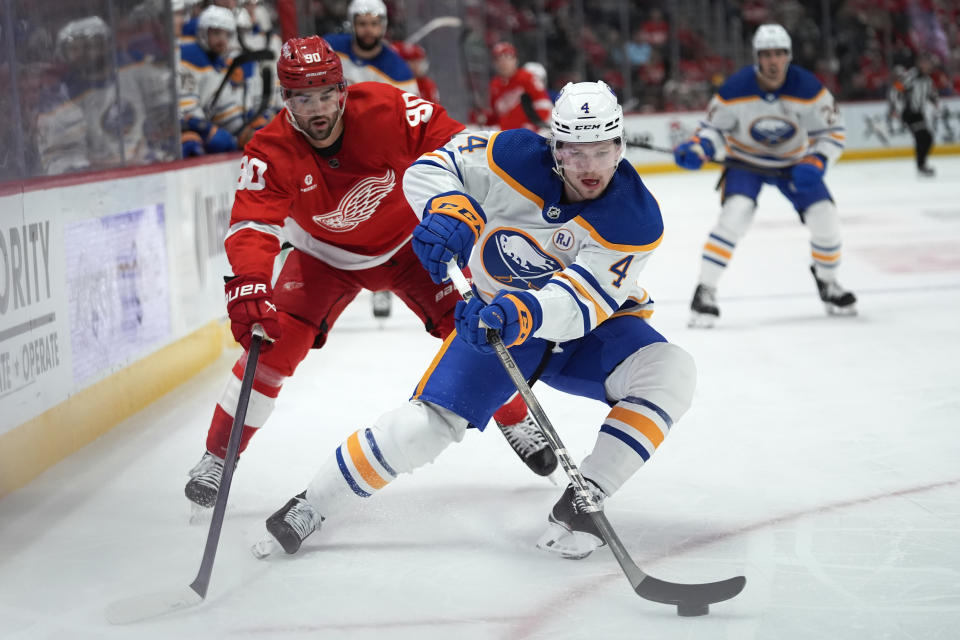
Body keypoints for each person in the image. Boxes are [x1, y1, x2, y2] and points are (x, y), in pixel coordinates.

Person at [253, 81, 697, 564]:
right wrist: (447, 206)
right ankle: (311, 504)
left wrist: (521, 312)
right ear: (555, 147)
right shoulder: (510, 154)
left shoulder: (636, 218)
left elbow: (581, 304)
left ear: (620, 146)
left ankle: (586, 499)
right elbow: (431, 166)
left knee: (670, 371)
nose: (588, 168)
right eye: (574, 152)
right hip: (493, 317)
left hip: (585, 327)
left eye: (601, 151)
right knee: (421, 430)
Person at [184, 36, 557, 516]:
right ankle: (218, 456)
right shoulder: (270, 149)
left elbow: (456, 145)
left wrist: (454, 207)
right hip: (324, 257)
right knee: (272, 348)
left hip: (412, 245)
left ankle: (514, 418)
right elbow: (252, 226)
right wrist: (250, 282)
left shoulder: (385, 107)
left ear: (343, 90)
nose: (316, 109)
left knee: (476, 331)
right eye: (302, 97)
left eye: (325, 95)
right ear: (285, 100)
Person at [673, 23, 857, 327]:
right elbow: (714, 129)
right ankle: (705, 290)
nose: (773, 61)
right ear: (757, 57)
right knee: (735, 215)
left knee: (825, 217)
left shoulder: (810, 89)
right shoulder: (734, 89)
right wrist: (700, 146)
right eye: (767, 54)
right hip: (746, 163)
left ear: (789, 55)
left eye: (780, 53)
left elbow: (833, 131)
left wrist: (818, 160)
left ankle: (828, 281)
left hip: (794, 164)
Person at [324, 0, 419, 320]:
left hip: (373, 157)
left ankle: (380, 285)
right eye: (362, 23)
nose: (368, 30)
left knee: (376, 222)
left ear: (383, 27)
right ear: (352, 23)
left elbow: (412, 123)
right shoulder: (327, 49)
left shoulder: (398, 71)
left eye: (374, 23)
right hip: (323, 143)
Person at [179, 5, 263, 155]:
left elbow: (225, 111)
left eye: (227, 35)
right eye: (216, 33)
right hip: (178, 129)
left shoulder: (220, 64)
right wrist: (208, 130)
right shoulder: (189, 56)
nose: (222, 40)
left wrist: (244, 133)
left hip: (200, 124)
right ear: (204, 33)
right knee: (192, 145)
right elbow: (185, 112)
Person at [888, 54, 940, 177]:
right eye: (926, 63)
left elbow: (932, 93)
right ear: (920, 63)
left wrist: (935, 101)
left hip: (919, 113)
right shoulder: (911, 76)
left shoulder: (928, 80)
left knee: (926, 138)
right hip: (909, 112)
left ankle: (921, 165)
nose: (928, 66)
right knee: (923, 137)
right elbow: (895, 90)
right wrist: (895, 108)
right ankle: (921, 166)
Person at [487, 41, 553, 132]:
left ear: (515, 60)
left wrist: (534, 126)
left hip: (528, 134)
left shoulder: (527, 77)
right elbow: (495, 115)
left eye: (508, 57)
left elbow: (544, 105)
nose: (503, 63)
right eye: (499, 59)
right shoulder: (494, 84)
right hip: (505, 135)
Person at [394, 40, 440, 105]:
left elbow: (434, 110)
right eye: (414, 62)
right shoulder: (393, 83)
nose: (420, 66)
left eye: (420, 62)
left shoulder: (426, 84)